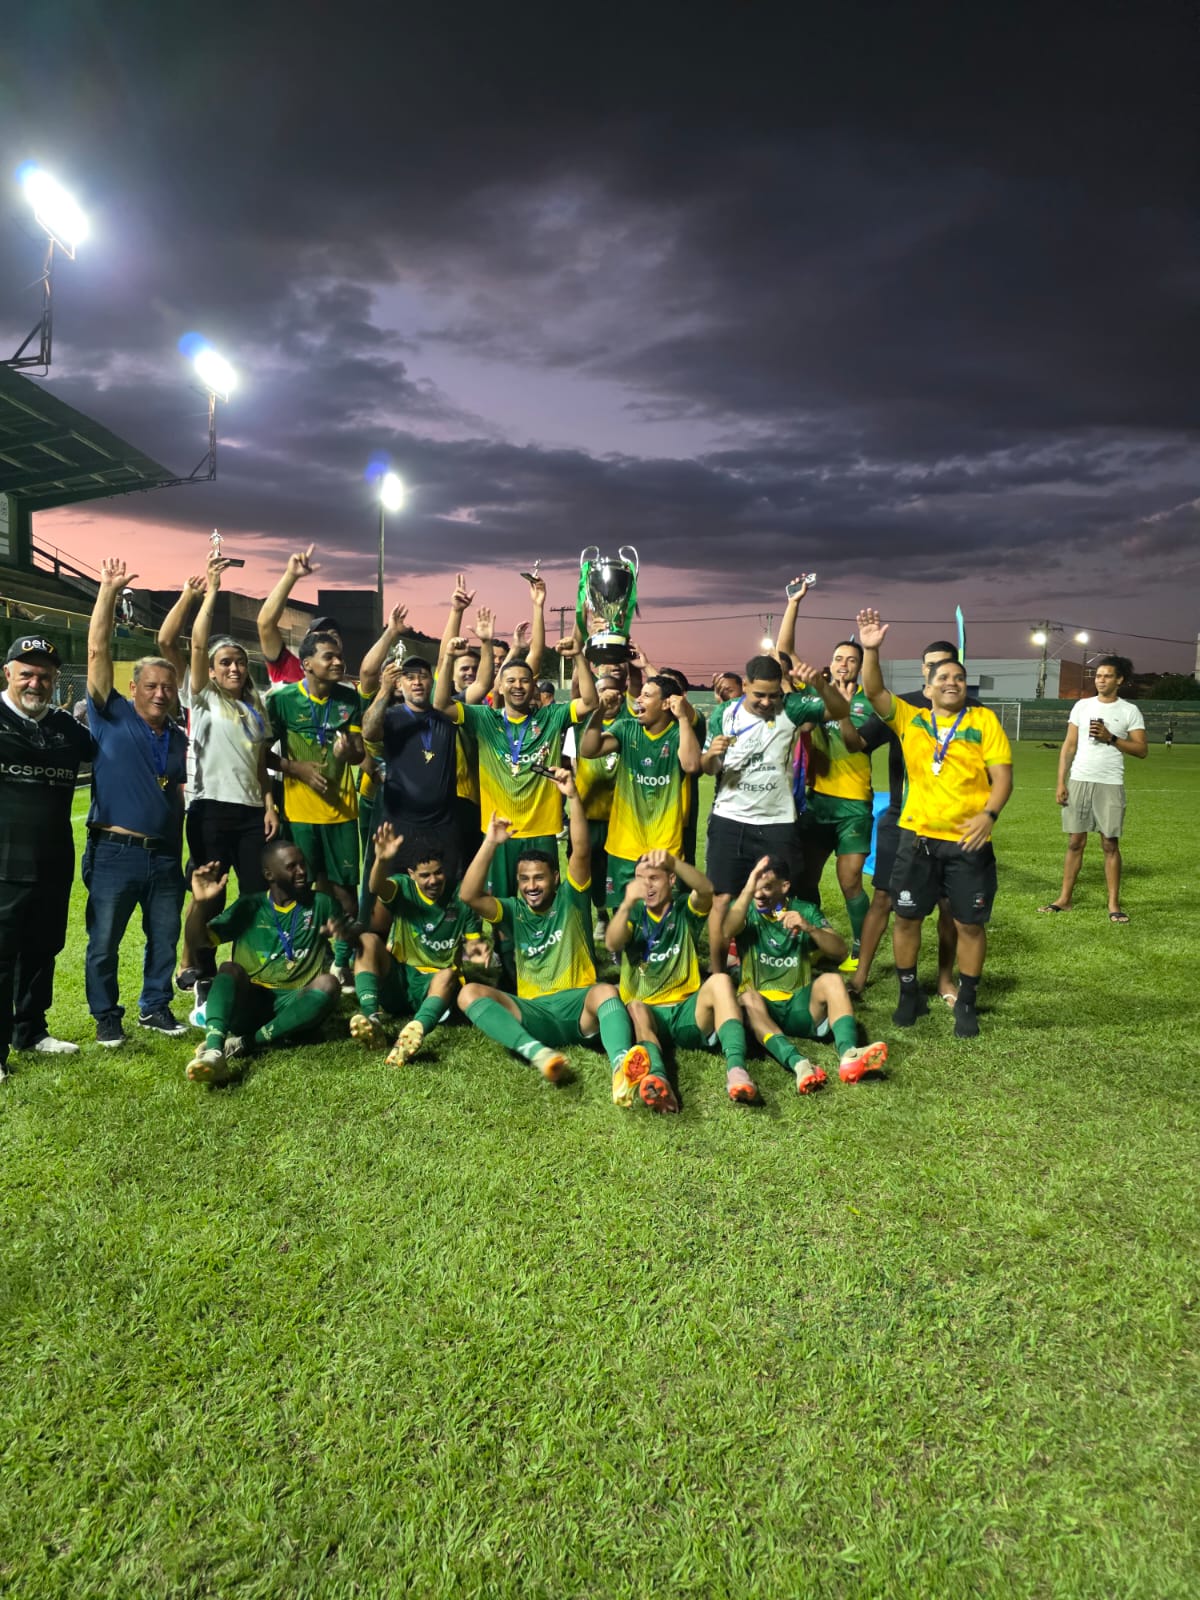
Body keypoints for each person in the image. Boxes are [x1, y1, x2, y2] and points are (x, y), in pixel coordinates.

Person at [856, 608, 1013, 1039]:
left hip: (967, 843)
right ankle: (909, 994)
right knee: (906, 918)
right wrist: (871, 650)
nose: (951, 682)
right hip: (918, 839)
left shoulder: (984, 720)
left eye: (959, 677)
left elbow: (1003, 777)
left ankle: (967, 1001)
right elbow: (874, 691)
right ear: (927, 688)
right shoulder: (910, 719)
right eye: (942, 677)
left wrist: (989, 814)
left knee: (969, 924)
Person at [456, 770, 647, 1089]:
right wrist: (490, 842)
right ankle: (538, 1053)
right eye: (524, 879)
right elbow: (469, 895)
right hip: (535, 1013)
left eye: (539, 878)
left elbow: (581, 851)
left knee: (606, 991)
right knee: (468, 993)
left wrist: (572, 797)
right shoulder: (513, 910)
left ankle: (620, 1067)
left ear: (556, 878)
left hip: (580, 1006)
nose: (531, 886)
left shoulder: (572, 898)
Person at [85, 558, 190, 1045]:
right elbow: (97, 649)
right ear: (133, 688)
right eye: (151, 686)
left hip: (164, 854)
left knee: (164, 938)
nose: (160, 693)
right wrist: (107, 591)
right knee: (104, 941)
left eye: (167, 687)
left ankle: (155, 1006)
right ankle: (107, 1015)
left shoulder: (178, 737)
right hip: (115, 851)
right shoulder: (111, 714)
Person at [701, 653, 849, 971]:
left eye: (773, 695)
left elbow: (840, 710)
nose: (768, 702)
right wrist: (711, 755)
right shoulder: (725, 714)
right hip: (730, 820)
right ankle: (717, 973)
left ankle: (780, 967)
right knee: (722, 900)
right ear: (745, 685)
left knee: (784, 897)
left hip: (778, 822)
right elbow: (708, 767)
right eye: (760, 694)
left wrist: (820, 685)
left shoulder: (792, 707)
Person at [850, 640, 975, 1003]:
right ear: (923, 670)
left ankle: (945, 980)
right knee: (883, 898)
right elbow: (860, 741)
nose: (938, 671)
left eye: (945, 664)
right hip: (902, 818)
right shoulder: (902, 707)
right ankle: (860, 976)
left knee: (949, 906)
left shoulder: (973, 711)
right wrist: (841, 714)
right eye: (931, 665)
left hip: (951, 824)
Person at [175, 553, 278, 987]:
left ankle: (249, 969)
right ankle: (198, 968)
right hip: (211, 809)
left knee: (256, 895)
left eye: (239, 662)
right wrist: (212, 591)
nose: (234, 668)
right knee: (211, 895)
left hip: (252, 813)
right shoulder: (202, 697)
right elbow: (197, 645)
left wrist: (269, 805)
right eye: (225, 663)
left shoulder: (255, 705)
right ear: (212, 672)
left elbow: (260, 763)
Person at [0, 636, 97, 1075]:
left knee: (43, 950)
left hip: (53, 862)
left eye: (44, 676)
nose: (35, 683)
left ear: (56, 679)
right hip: (3, 867)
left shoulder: (67, 729)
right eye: (26, 674)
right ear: (8, 673)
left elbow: (107, 753)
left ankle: (31, 1030)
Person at [434, 645, 598, 898]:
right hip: (500, 831)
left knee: (544, 902)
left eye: (524, 681)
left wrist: (578, 656)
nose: (518, 686)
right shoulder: (484, 719)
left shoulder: (552, 717)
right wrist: (447, 659)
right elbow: (441, 705)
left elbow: (590, 702)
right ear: (500, 687)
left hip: (542, 830)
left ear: (533, 687)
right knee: (499, 904)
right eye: (510, 681)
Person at [724, 855, 887, 1093]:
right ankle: (799, 1064)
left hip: (800, 1005)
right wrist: (748, 890)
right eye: (754, 887)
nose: (758, 895)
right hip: (762, 1007)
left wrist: (810, 929)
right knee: (747, 998)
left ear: (784, 886)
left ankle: (849, 1054)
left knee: (832, 980)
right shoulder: (744, 909)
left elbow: (840, 951)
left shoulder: (804, 910)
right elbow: (727, 929)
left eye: (766, 887)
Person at [607, 849, 754, 1111]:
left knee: (721, 981)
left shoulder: (684, 909)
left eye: (654, 878)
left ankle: (736, 1070)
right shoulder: (633, 914)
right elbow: (612, 943)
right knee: (635, 1007)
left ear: (672, 879)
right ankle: (658, 1080)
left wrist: (673, 862)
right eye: (640, 879)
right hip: (649, 1016)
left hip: (688, 1012)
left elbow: (707, 890)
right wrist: (626, 904)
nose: (647, 886)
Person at [184, 841, 341, 1083]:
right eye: (292, 866)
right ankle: (214, 1051)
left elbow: (349, 938)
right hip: (253, 1002)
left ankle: (245, 1043)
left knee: (329, 984)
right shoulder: (250, 905)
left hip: (296, 1001)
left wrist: (346, 942)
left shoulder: (322, 903)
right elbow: (198, 941)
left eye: (302, 864)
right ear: (269, 874)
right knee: (228, 969)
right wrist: (200, 903)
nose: (302, 871)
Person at [266, 631, 365, 987]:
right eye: (329, 656)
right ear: (306, 664)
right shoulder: (282, 701)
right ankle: (307, 958)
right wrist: (296, 769)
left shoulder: (349, 698)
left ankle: (342, 963)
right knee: (300, 890)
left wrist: (348, 753)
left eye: (339, 656)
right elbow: (261, 753)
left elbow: (359, 753)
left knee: (345, 894)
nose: (338, 662)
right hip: (299, 814)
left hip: (342, 814)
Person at [576, 675, 701, 913]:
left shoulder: (678, 734)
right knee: (623, 914)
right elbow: (589, 750)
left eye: (646, 695)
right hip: (623, 844)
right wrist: (599, 712)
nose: (638, 700)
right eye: (640, 694)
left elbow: (692, 765)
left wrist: (684, 718)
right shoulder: (627, 728)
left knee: (661, 915)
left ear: (665, 704)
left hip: (664, 846)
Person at [350, 823, 474, 1063]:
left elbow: (473, 940)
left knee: (448, 974)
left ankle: (415, 1029)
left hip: (433, 987)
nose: (433, 880)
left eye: (438, 872)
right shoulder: (403, 887)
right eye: (425, 875)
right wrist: (381, 860)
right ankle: (372, 1021)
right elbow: (376, 887)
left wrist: (477, 949)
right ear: (411, 874)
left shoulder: (460, 896)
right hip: (400, 978)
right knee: (367, 940)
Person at [1039, 655, 1147, 922]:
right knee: (1075, 842)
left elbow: (1141, 750)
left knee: (1109, 843)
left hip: (1110, 782)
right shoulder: (1082, 706)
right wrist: (1061, 781)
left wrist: (1111, 737)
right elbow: (1069, 746)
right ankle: (1064, 899)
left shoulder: (1129, 710)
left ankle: (1113, 904)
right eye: (1098, 675)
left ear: (1119, 680)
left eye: (1107, 676)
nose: (1101, 680)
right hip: (1079, 779)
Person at [794, 639, 878, 966]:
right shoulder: (816, 694)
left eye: (851, 660)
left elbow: (853, 743)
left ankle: (860, 949)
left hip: (854, 804)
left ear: (860, 666)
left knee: (850, 880)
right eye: (838, 658)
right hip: (816, 802)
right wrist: (793, 609)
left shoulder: (869, 702)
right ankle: (817, 938)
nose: (844, 664)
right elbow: (786, 651)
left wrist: (842, 711)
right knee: (806, 879)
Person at [567, 672, 627, 935]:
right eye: (603, 690)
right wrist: (580, 654)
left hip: (619, 817)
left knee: (617, 871)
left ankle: (619, 919)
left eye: (614, 691)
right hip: (586, 815)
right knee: (589, 869)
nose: (609, 696)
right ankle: (600, 915)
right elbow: (576, 687)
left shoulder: (629, 723)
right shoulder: (584, 722)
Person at [256, 543, 341, 686]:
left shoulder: (349, 689)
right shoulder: (290, 668)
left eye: (333, 635)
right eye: (319, 635)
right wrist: (291, 576)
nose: (326, 638)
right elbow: (265, 625)